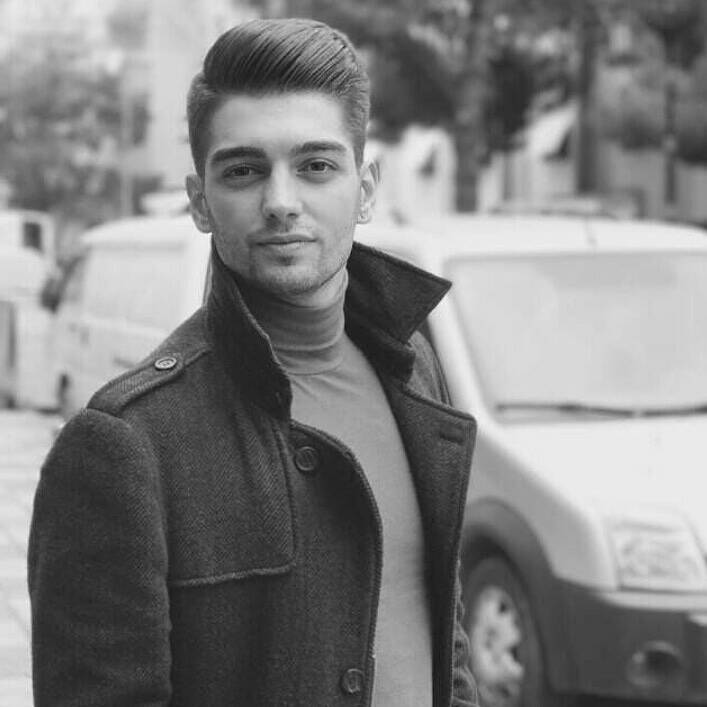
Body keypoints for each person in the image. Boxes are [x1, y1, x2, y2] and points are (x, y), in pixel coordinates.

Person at [28, 18, 479, 707]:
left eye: (316, 166)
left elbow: (444, 633)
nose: (281, 203)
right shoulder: (126, 443)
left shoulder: (411, 364)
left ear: (365, 188)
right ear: (199, 201)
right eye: (244, 170)